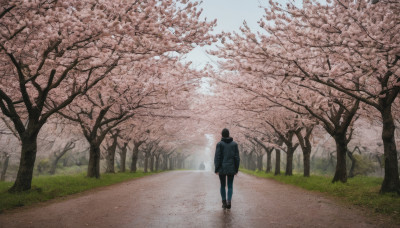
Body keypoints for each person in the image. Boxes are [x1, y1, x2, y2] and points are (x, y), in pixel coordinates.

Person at [214, 128, 240, 209]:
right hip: (231, 167)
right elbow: (237, 158)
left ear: (222, 135)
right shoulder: (234, 144)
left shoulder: (219, 144)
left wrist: (216, 168)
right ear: (229, 134)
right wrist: (236, 169)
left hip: (221, 168)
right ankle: (229, 201)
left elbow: (217, 157)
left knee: (222, 185)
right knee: (230, 185)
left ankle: (224, 202)